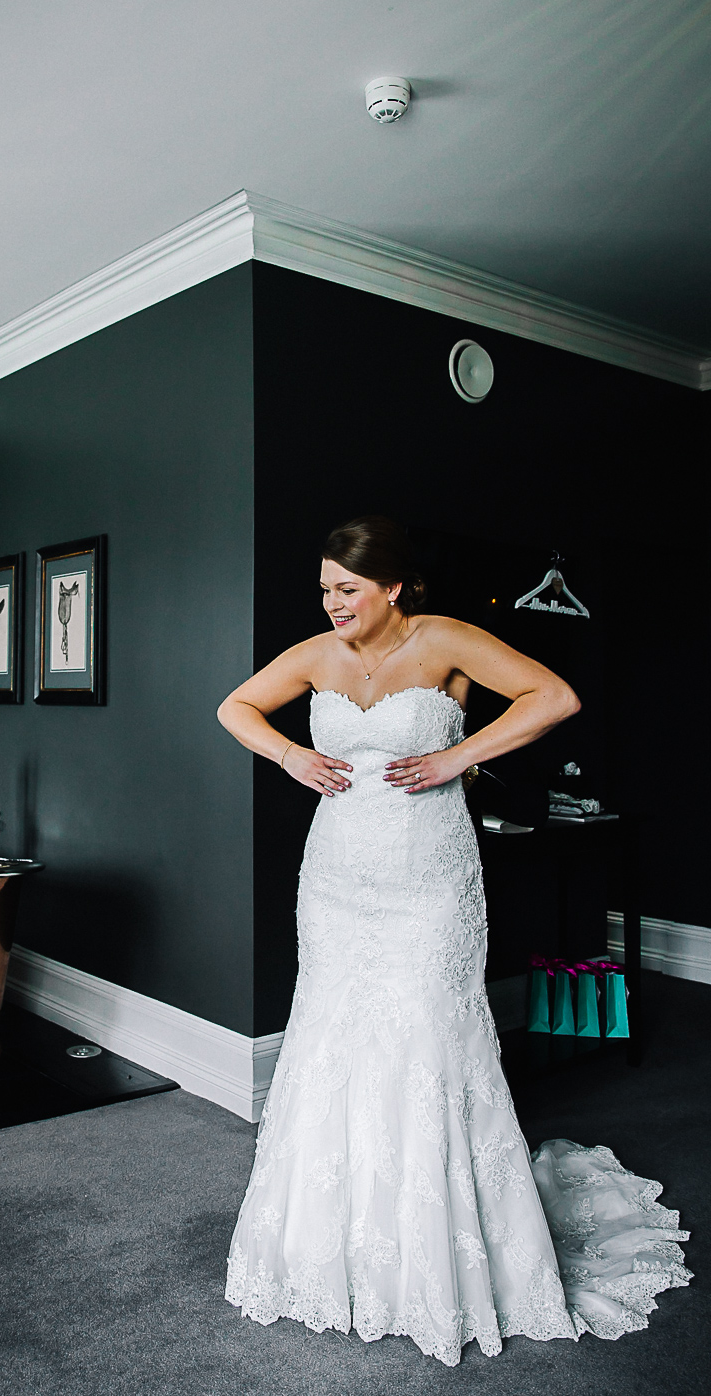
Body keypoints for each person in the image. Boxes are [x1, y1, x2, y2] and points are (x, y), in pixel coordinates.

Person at [218, 515, 690, 1366]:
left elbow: (555, 697)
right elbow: (234, 706)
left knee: (433, 1037)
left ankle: (440, 1247)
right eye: (325, 588)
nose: (332, 605)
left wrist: (455, 756)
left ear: (393, 587)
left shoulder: (446, 640)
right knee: (332, 1037)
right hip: (335, 882)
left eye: (348, 590)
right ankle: (335, 1245)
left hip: (428, 881)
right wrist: (290, 755)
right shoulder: (316, 656)